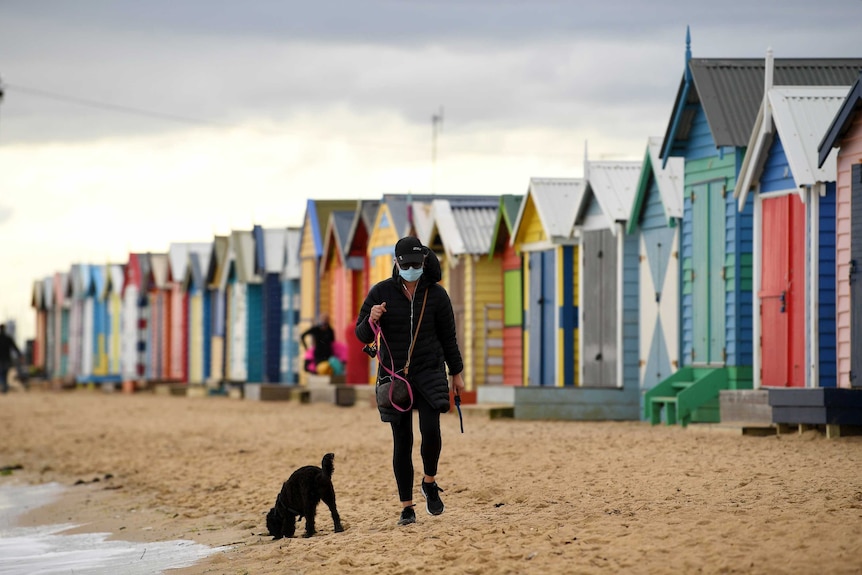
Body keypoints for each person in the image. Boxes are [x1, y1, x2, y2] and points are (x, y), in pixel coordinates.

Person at [354, 236, 465, 526]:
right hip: (394, 377)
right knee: (401, 441)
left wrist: (457, 373)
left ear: (424, 262)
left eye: (416, 264)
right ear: (397, 263)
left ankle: (429, 482)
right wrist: (371, 319)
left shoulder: (437, 295)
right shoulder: (381, 292)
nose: (411, 269)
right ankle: (407, 507)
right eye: (406, 265)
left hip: (429, 371)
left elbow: (449, 338)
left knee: (431, 431)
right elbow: (361, 334)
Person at [0, 323, 21, 394]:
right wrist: (20, 354)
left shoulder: (7, 338)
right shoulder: (8, 338)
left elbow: (14, 347)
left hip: (2, 358)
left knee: (2, 372)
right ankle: (4, 386)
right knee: (4, 372)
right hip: (6, 358)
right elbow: (14, 347)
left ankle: (3, 386)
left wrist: (19, 354)